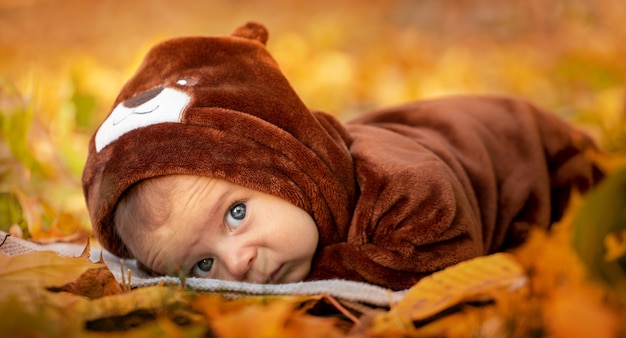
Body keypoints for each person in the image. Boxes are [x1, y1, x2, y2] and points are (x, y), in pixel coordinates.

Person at [82, 22, 603, 290]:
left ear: (287, 165)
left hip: (539, 153)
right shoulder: (282, 227)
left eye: (236, 214)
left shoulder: (402, 187)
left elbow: (438, 255)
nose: (237, 265)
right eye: (201, 263)